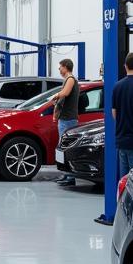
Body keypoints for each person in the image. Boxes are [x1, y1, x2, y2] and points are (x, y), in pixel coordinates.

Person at [52, 58, 80, 186]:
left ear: (65, 67)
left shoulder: (70, 80)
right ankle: (66, 174)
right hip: (65, 119)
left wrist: (56, 95)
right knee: (63, 148)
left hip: (68, 119)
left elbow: (65, 92)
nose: (59, 69)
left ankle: (69, 177)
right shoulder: (68, 80)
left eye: (60, 67)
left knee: (67, 148)